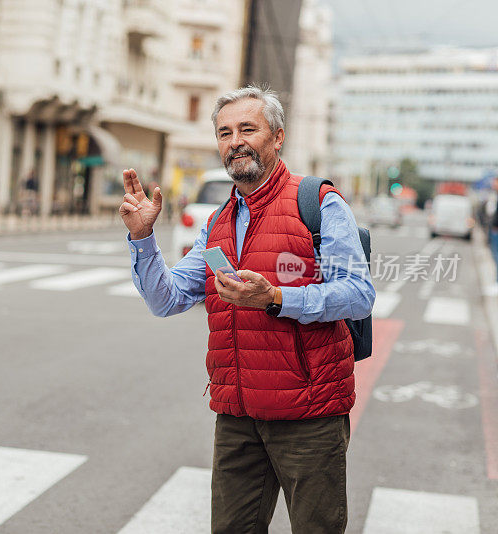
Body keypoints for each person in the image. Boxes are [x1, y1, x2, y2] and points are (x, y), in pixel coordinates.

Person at [119, 85, 375, 533]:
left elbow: (357, 292)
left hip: (309, 415)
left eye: (247, 129)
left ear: (277, 137)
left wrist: (276, 298)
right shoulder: (217, 224)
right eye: (224, 132)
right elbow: (168, 299)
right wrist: (143, 238)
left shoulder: (318, 203)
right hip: (237, 415)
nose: (234, 140)